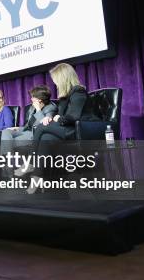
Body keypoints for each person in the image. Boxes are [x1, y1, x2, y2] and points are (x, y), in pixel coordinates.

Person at [27, 63, 97, 193]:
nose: (55, 84)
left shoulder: (78, 91)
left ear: (63, 78)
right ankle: (38, 178)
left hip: (80, 130)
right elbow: (60, 114)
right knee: (46, 138)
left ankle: (31, 164)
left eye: (56, 80)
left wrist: (57, 118)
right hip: (67, 129)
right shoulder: (65, 96)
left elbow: (73, 117)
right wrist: (51, 117)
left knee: (41, 127)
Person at [0, 86, 57, 175]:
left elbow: (44, 125)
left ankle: (8, 169)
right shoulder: (32, 108)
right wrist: (18, 128)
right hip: (25, 131)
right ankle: (9, 165)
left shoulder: (50, 108)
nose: (31, 99)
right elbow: (28, 125)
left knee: (7, 142)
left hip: (34, 134)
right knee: (5, 132)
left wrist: (38, 109)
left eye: (33, 97)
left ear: (39, 99)